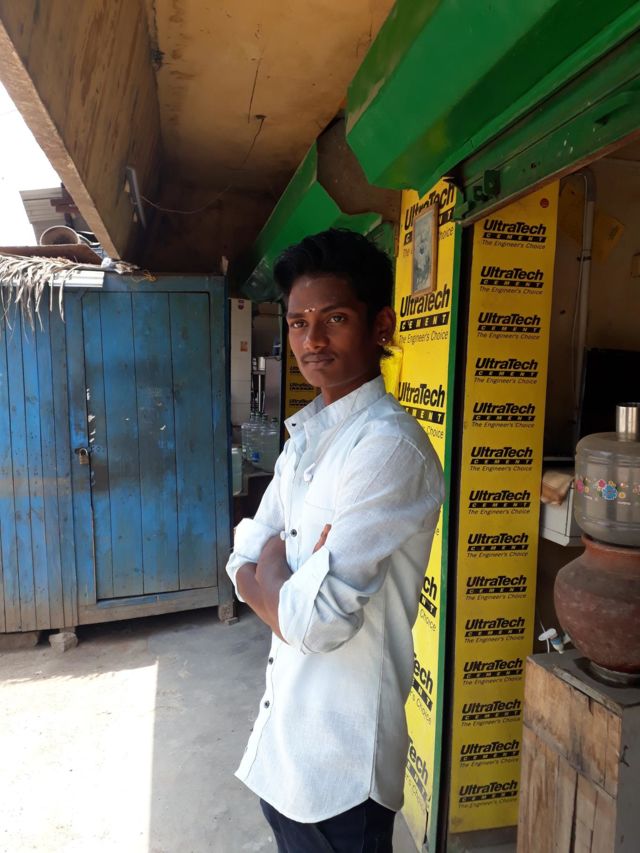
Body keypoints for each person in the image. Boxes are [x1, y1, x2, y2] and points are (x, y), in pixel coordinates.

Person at [226, 228, 444, 852]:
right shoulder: (307, 440)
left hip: (341, 770)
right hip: (283, 750)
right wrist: (275, 574)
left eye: (335, 319)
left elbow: (317, 624)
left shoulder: (387, 449)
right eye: (299, 323)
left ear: (381, 327)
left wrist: (270, 572)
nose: (312, 340)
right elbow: (242, 554)